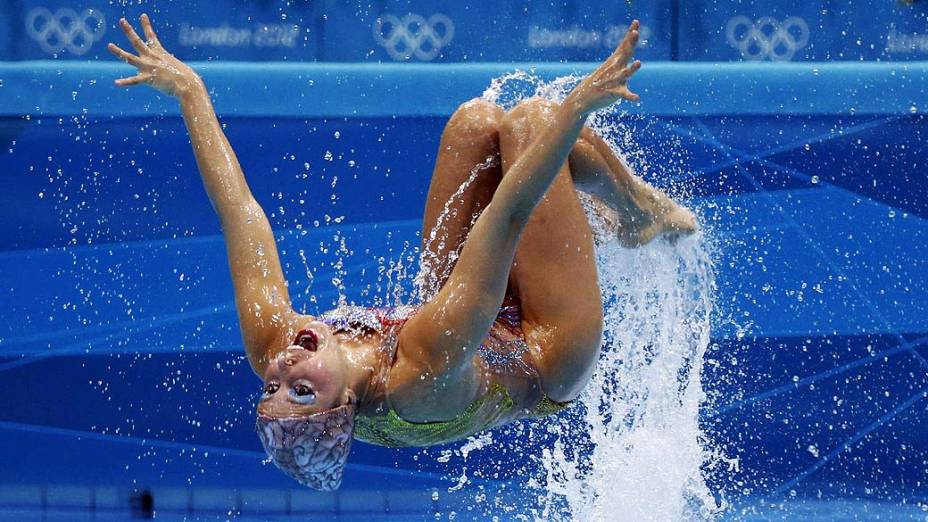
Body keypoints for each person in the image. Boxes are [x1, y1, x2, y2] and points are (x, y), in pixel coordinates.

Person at [108, 16, 696, 490]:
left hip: (466, 321)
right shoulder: (419, 378)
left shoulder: (278, 346)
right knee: (535, 123)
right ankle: (638, 212)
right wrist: (578, 107)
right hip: (543, 352)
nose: (281, 372)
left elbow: (239, 212)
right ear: (344, 404)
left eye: (271, 389)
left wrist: (189, 91)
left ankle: (608, 210)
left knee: (475, 124)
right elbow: (506, 215)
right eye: (301, 391)